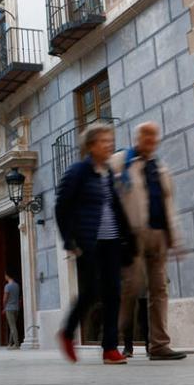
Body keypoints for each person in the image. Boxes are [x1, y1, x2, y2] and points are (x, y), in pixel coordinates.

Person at [55, 121, 134, 365]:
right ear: (90, 146)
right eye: (103, 141)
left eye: (110, 140)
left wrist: (127, 236)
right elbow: (61, 206)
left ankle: (110, 348)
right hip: (89, 241)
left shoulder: (108, 172)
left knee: (114, 294)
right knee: (90, 292)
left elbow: (115, 206)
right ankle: (67, 333)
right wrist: (69, 240)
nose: (109, 145)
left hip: (111, 241)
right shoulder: (78, 171)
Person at [110, 122, 187, 361]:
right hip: (131, 235)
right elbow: (103, 190)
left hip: (158, 234)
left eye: (154, 137)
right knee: (130, 288)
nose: (151, 140)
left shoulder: (161, 168)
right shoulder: (121, 161)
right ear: (138, 137)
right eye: (147, 136)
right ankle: (115, 340)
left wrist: (175, 238)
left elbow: (169, 205)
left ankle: (159, 346)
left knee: (159, 289)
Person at [2, 274, 21, 349]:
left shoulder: (7, 286)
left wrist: (4, 307)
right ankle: (10, 344)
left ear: (7, 276)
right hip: (16, 308)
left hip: (9, 308)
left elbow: (5, 298)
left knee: (12, 327)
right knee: (13, 326)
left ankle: (16, 344)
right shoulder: (17, 285)